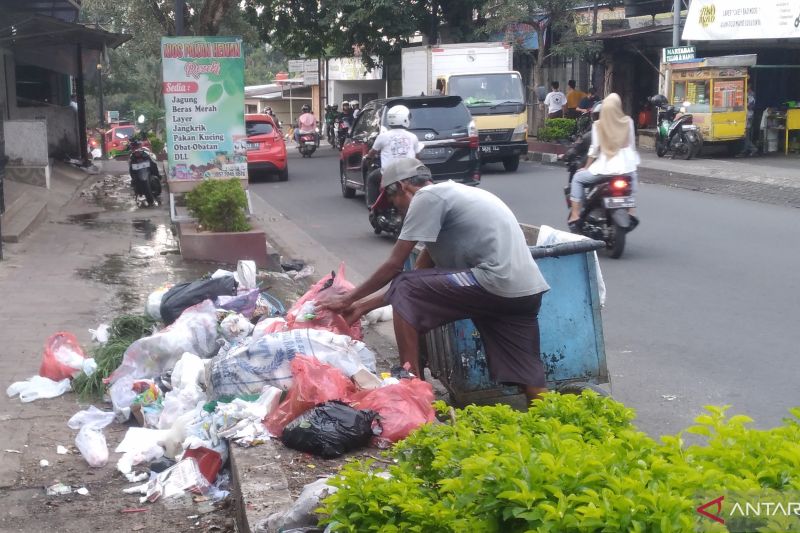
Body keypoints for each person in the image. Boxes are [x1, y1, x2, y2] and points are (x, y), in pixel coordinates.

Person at [320, 157, 551, 402]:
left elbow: (395, 268)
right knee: (531, 379)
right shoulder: (450, 200)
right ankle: (546, 422)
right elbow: (415, 280)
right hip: (524, 292)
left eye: (391, 199)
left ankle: (412, 390)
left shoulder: (428, 197)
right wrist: (362, 306)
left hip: (493, 281)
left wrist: (349, 299)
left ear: (400, 187)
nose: (395, 207)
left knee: (406, 286)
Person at [567, 93, 640, 230]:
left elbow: (594, 150)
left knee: (577, 178)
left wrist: (587, 167)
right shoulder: (628, 121)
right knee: (632, 183)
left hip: (604, 169)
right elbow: (631, 146)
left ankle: (575, 215)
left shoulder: (598, 125)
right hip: (627, 168)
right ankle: (631, 211)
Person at [363, 105, 422, 206]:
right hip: (409, 173)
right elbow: (418, 156)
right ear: (405, 119)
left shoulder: (383, 136)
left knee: (371, 178)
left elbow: (372, 153)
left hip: (388, 174)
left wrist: (367, 158)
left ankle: (372, 206)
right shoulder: (413, 137)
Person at [738, 86, 758, 157]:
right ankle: (746, 150)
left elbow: (751, 106)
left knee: (745, 134)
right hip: (744, 116)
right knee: (744, 135)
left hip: (748, 116)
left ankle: (752, 149)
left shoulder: (751, 94)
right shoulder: (744, 93)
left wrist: (744, 104)